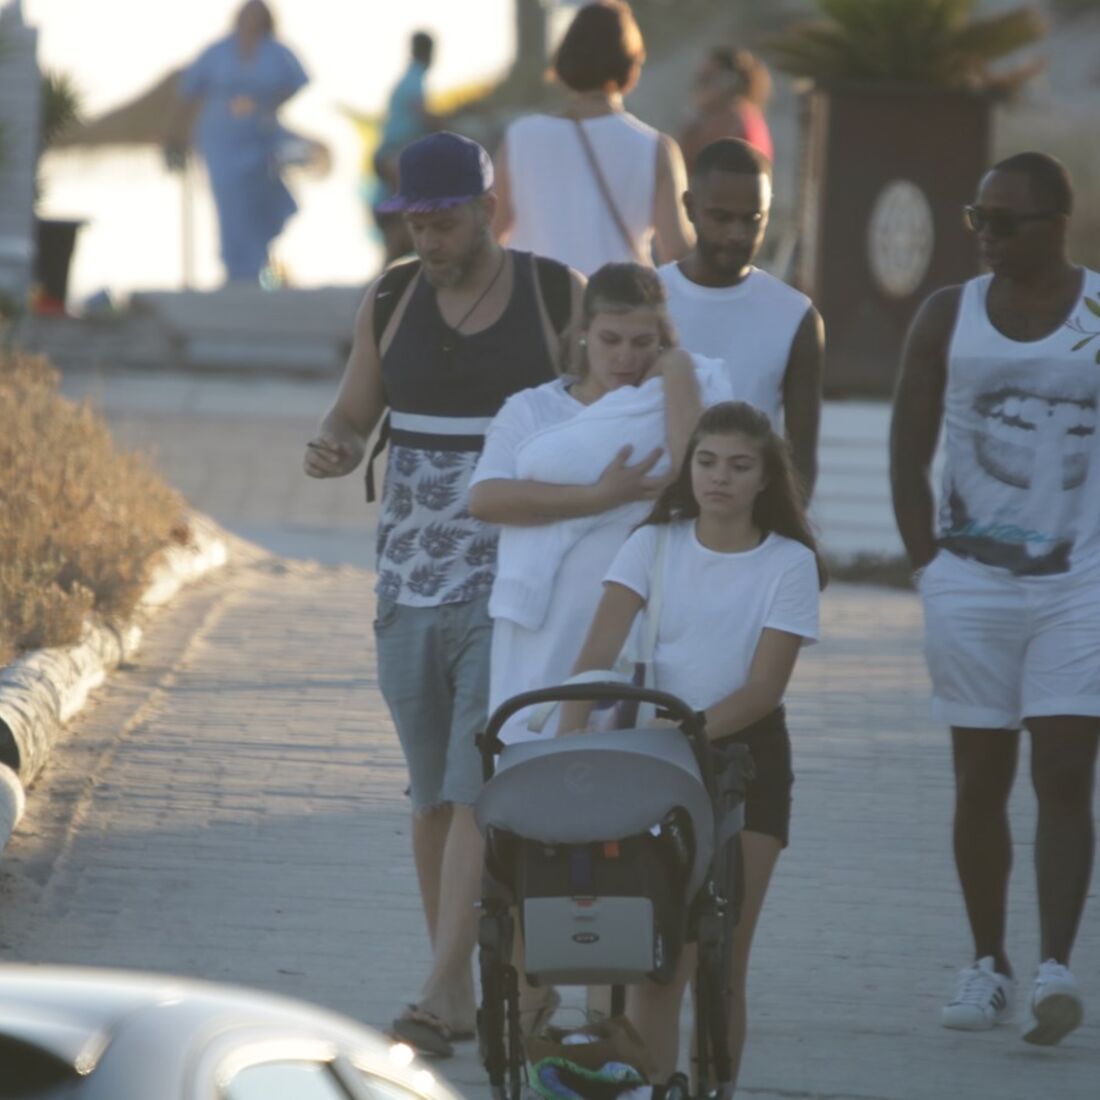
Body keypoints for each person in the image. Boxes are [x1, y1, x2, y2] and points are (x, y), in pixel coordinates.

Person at [303, 131, 584, 1058]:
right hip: (406, 586)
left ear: (487, 209)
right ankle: (463, 991)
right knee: (431, 797)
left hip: (516, 588)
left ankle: (440, 991)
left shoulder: (554, 294)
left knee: (476, 788)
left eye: (444, 220)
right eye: (415, 222)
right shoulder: (390, 297)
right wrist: (334, 444)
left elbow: (607, 399)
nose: (427, 237)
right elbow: (354, 410)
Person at [890, 151, 1100, 1046]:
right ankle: (988, 964)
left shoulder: (1096, 317)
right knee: (980, 777)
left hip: (1080, 586)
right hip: (969, 584)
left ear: (1057, 226)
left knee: (1065, 774)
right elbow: (906, 449)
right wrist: (928, 568)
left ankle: (1055, 967)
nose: (984, 234)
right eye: (977, 217)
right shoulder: (950, 313)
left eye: (1004, 221)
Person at [561, 401, 825, 1087]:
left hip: (746, 763)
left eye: (739, 466)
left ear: (765, 478)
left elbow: (763, 690)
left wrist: (683, 729)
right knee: (658, 962)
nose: (720, 477)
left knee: (722, 958)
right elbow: (594, 658)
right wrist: (564, 750)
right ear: (690, 467)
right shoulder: (652, 543)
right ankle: (649, 1086)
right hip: (655, 765)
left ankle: (715, 1087)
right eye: (707, 462)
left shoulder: (789, 562)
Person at [469, 263, 732, 747]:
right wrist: (601, 497)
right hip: (545, 618)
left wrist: (677, 369)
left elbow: (693, 477)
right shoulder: (532, 408)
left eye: (643, 342)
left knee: (621, 764)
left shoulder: (671, 400)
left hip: (638, 618)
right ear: (584, 332)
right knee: (530, 751)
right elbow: (486, 498)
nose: (625, 356)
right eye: (610, 339)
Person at [659, 139, 823, 498]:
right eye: (721, 217)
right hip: (651, 513)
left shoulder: (796, 316)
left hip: (749, 520)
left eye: (752, 220)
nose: (737, 234)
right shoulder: (649, 302)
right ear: (690, 208)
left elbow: (801, 460)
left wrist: (780, 526)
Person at [492, 0, 694, 274]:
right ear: (631, 65)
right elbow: (676, 252)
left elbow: (491, 235)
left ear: (564, 59)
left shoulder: (520, 137)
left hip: (535, 295)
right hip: (618, 298)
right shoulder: (656, 149)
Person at [169, 1, 308, 283]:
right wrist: (175, 132)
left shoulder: (276, 51)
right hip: (221, 140)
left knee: (259, 200)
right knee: (229, 202)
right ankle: (235, 269)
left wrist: (268, 105)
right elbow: (188, 90)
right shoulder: (218, 51)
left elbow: (298, 81)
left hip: (260, 138)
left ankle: (258, 264)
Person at [370, 31, 436, 266]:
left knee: (398, 233)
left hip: (393, 152)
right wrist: (446, 125)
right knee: (411, 199)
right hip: (394, 152)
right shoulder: (414, 79)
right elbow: (422, 113)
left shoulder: (409, 78)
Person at [678, 46, 773, 173]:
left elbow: (685, 164)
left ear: (730, 82)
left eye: (706, 79)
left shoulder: (732, 120)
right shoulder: (749, 115)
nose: (698, 87)